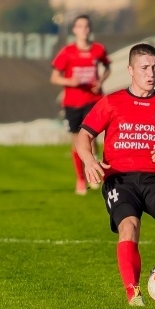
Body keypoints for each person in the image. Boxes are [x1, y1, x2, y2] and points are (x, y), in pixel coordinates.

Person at [75, 43, 155, 307]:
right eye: (145, 68)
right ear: (130, 70)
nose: (152, 73)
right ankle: (133, 292)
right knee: (129, 226)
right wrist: (89, 160)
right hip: (120, 178)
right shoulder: (112, 102)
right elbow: (84, 136)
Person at [50, 15, 111, 195]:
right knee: (77, 141)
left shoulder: (98, 50)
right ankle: (80, 178)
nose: (83, 29)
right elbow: (54, 77)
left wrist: (100, 81)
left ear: (89, 29)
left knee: (92, 140)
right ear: (74, 30)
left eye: (86, 26)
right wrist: (70, 81)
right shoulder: (67, 52)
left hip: (93, 101)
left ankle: (93, 174)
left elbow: (107, 67)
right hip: (73, 103)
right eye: (79, 26)